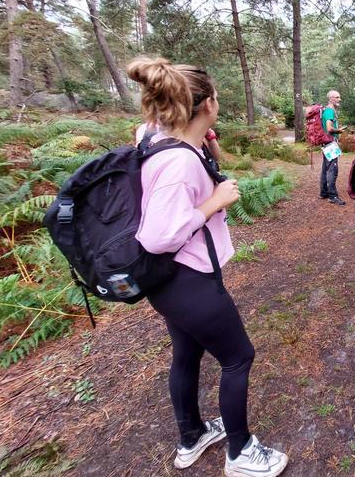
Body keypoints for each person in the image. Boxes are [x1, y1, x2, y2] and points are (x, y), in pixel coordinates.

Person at [127, 58, 288, 477]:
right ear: (207, 104)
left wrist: (203, 139)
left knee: (188, 352)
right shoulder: (179, 163)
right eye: (214, 98)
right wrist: (213, 203)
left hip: (166, 282)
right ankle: (241, 453)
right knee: (238, 357)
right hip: (186, 278)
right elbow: (160, 235)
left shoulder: (154, 137)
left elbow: (149, 131)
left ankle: (192, 437)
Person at [320, 90, 346, 206]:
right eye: (337, 97)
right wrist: (339, 131)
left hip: (325, 143)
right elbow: (329, 129)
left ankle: (323, 192)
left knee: (326, 168)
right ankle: (333, 196)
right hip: (330, 143)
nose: (339, 99)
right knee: (332, 169)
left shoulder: (326, 110)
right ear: (330, 98)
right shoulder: (330, 111)